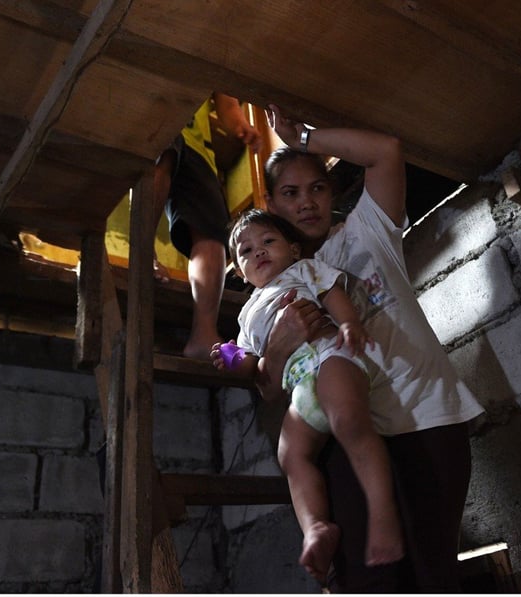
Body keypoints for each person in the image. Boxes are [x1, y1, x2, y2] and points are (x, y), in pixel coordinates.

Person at [256, 104, 487, 592]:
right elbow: (269, 389)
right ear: (273, 207)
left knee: (434, 573)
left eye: (316, 187)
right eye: (290, 194)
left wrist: (303, 139)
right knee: (368, 581)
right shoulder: (272, 285)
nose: (307, 202)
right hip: (348, 436)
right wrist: (279, 348)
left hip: (425, 417)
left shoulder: (368, 231)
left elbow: (386, 152)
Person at [211, 208, 405, 582]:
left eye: (268, 241)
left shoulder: (302, 272)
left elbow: (332, 294)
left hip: (332, 356)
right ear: (239, 273)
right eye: (246, 252)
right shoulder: (247, 315)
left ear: (294, 249)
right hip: (300, 384)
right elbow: (254, 366)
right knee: (291, 454)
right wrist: (232, 359)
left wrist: (348, 323)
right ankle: (316, 527)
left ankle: (383, 513)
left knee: (348, 419)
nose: (259, 252)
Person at [151, 92, 260, 359]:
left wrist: (241, 126)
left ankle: (204, 333)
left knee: (213, 232)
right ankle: (144, 254)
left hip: (199, 149)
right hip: (154, 117)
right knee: (160, 161)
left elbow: (227, 103)